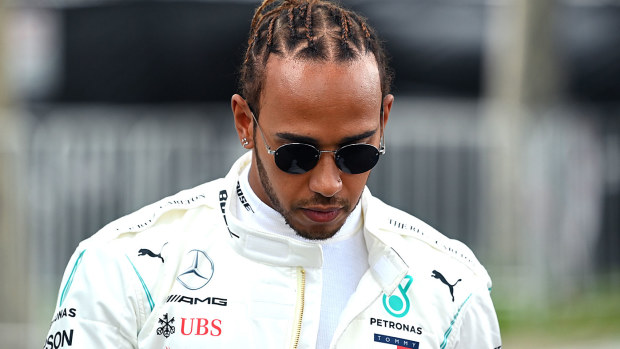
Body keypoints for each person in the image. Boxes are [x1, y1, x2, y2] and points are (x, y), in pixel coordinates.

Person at [44, 0, 502, 348]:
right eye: (298, 155)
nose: (328, 183)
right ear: (245, 122)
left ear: (384, 119)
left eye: (357, 154)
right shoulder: (124, 267)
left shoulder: (450, 283)